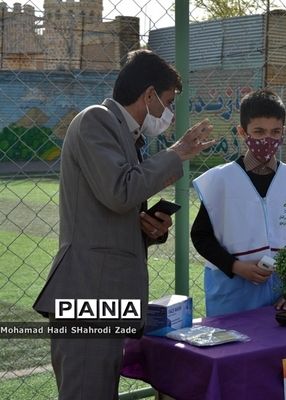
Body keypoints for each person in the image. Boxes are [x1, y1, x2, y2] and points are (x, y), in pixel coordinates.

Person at [32, 49, 215, 400]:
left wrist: (147, 229)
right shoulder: (95, 120)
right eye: (167, 101)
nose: (169, 113)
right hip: (89, 294)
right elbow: (119, 191)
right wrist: (175, 153)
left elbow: (114, 209)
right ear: (148, 95)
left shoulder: (129, 138)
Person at [191, 88, 286, 317]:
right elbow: (200, 236)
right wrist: (235, 267)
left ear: (283, 132)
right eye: (258, 132)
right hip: (232, 295)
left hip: (281, 297)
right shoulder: (220, 181)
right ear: (242, 132)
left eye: (275, 132)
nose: (267, 139)